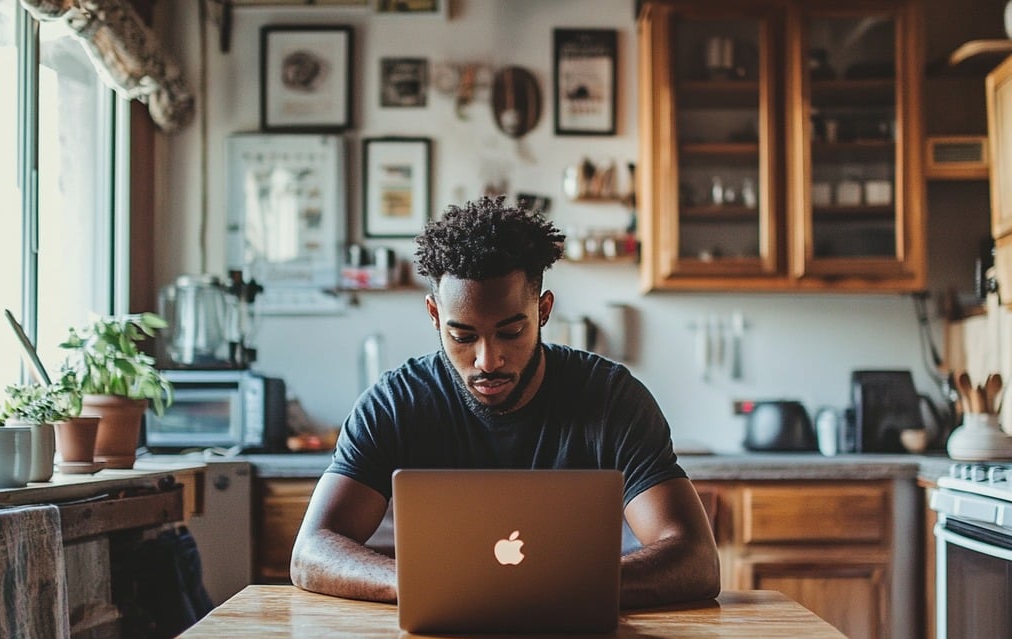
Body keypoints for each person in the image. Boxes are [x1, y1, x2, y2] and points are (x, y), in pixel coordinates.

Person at [290, 196, 720, 608]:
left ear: (543, 310)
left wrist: (552, 590)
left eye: (511, 332)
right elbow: (311, 552)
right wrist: (421, 583)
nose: (488, 360)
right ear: (435, 316)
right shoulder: (394, 404)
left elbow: (696, 561)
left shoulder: (612, 400)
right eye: (462, 336)